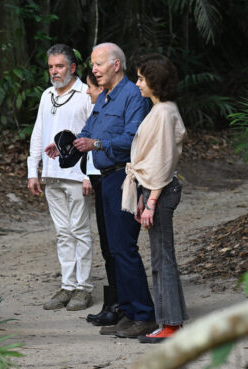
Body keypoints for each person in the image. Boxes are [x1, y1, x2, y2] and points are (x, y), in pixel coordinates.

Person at [47, 42, 156, 337]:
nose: (93, 70)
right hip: (105, 179)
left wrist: (96, 145)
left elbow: (133, 138)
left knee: (124, 248)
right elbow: (89, 130)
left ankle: (144, 315)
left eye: (98, 64)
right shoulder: (105, 97)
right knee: (112, 249)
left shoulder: (133, 96)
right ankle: (127, 312)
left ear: (116, 65)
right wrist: (66, 145)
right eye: (93, 64)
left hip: (125, 177)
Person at [121, 53, 188, 343]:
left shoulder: (163, 112)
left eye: (141, 78)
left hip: (160, 191)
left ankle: (170, 324)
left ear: (154, 82)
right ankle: (171, 321)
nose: (137, 84)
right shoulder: (160, 109)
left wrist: (150, 201)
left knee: (162, 260)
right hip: (153, 189)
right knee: (161, 258)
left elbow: (163, 160)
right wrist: (143, 196)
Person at [28, 43, 94, 311]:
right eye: (51, 67)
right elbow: (38, 133)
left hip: (78, 175)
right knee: (63, 233)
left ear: (73, 68)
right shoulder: (47, 95)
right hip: (52, 175)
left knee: (80, 231)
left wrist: (90, 173)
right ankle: (68, 286)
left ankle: (84, 288)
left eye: (60, 66)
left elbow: (93, 134)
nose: (55, 72)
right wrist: (34, 170)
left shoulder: (85, 94)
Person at [80, 71, 121, 327]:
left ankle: (120, 303)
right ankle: (112, 301)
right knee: (107, 246)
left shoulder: (116, 107)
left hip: (113, 177)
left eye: (89, 87)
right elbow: (86, 136)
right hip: (99, 178)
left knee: (117, 246)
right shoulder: (99, 108)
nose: (87, 91)